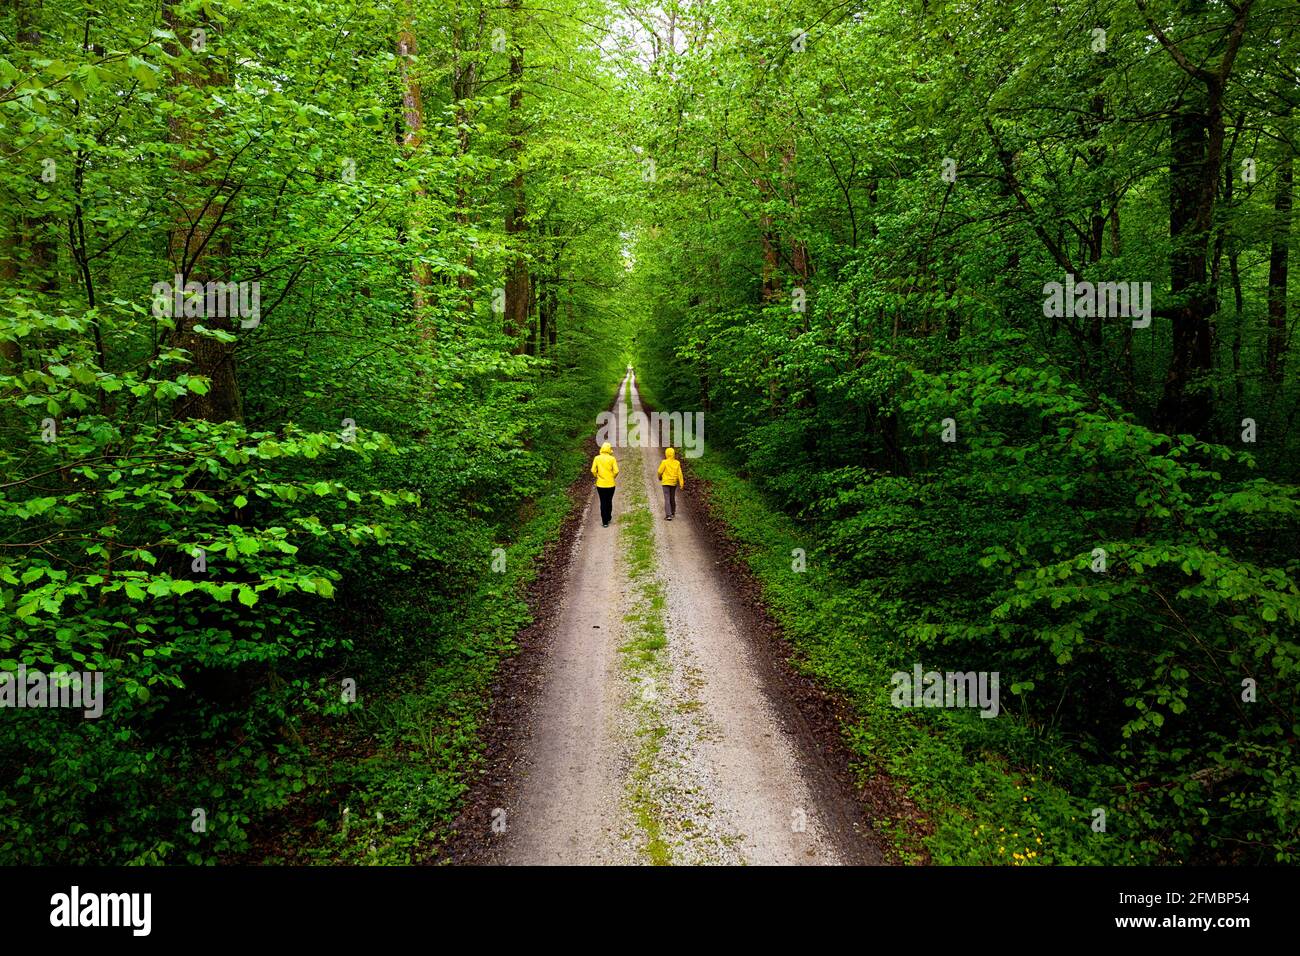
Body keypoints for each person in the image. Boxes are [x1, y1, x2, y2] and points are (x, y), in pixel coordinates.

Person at [591, 441, 619, 527]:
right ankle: (609, 516)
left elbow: (593, 470)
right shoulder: (612, 459)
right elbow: (616, 471)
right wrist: (612, 477)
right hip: (610, 484)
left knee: (603, 501)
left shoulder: (597, 458)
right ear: (609, 449)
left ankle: (605, 522)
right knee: (609, 500)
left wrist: (597, 476)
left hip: (600, 484)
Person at [656, 446, 684, 520]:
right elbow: (680, 474)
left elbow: (659, 471)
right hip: (673, 483)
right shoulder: (677, 463)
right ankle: (673, 512)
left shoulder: (664, 462)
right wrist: (681, 483)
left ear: (666, 454)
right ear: (673, 454)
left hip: (665, 483)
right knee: (672, 497)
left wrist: (659, 477)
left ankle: (668, 515)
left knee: (667, 498)